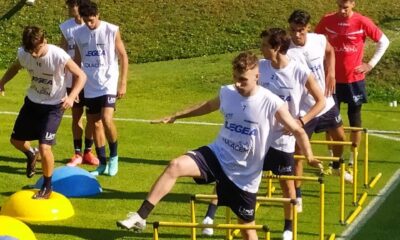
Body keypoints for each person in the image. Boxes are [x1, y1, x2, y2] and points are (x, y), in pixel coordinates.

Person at [116, 51, 317, 240]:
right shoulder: (227, 92)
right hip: (218, 155)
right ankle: (141, 216)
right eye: (235, 78)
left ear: (257, 76)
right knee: (175, 165)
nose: (237, 84)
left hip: (244, 176)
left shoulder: (271, 102)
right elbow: (206, 106)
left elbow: (298, 130)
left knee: (248, 231)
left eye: (243, 80)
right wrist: (177, 116)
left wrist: (309, 156)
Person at [200, 28, 324, 240]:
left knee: (286, 182)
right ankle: (209, 217)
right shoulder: (259, 67)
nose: (261, 48)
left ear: (276, 48)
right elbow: (238, 85)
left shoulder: (299, 71)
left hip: (282, 137)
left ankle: (288, 228)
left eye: (265, 45)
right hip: (255, 136)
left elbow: (320, 101)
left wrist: (301, 120)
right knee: (229, 173)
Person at [0, 26, 86, 199]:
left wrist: (72, 96)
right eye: (30, 50)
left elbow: (81, 75)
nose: (33, 54)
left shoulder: (58, 55)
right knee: (16, 141)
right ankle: (31, 154)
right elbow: (15, 67)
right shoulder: (25, 53)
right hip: (32, 103)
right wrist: (2, 82)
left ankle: (47, 187)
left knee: (45, 146)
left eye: (36, 49)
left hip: (54, 106)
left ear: (44, 41)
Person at [286, 9, 352, 215]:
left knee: (340, 138)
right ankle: (298, 195)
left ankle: (335, 167)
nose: (297, 35)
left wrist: (331, 72)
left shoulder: (318, 40)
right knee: (298, 154)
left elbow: (331, 51)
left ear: (308, 28)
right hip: (304, 108)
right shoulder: (285, 50)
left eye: (301, 31)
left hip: (326, 101)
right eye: (293, 30)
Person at [315, 0, 390, 165]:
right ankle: (332, 157)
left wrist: (370, 64)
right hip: (331, 79)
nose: (342, 10)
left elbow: (384, 42)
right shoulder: (327, 20)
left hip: (354, 80)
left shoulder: (362, 21)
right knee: (330, 120)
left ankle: (352, 158)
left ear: (353, 4)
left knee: (354, 119)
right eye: (340, 6)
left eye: (346, 7)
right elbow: (315, 42)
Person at [74, 0, 129, 176]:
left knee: (106, 119)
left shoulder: (111, 30)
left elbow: (123, 56)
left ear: (98, 15)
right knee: (94, 122)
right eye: (86, 20)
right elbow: (76, 61)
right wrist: (76, 88)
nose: (89, 24)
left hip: (108, 82)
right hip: (90, 85)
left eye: (92, 20)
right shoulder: (78, 34)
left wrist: (123, 82)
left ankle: (114, 157)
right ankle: (102, 163)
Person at [60, 0, 101, 167]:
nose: (70, 9)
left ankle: (88, 153)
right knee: (76, 116)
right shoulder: (66, 27)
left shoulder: (93, 26)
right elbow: (61, 52)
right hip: (72, 80)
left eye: (72, 5)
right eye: (69, 6)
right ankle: (77, 154)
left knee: (92, 119)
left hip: (91, 80)